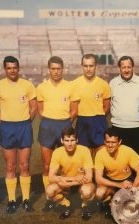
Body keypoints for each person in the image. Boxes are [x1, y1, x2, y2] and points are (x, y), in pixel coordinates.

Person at [0, 56, 37, 213]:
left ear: (18, 68)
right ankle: (11, 200)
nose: (12, 70)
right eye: (9, 68)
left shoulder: (27, 85)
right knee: (10, 166)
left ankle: (26, 199)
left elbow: (34, 107)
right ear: (5, 69)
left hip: (24, 127)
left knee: (24, 165)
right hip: (7, 128)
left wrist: (25, 121)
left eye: (14, 67)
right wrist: (2, 122)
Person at [36, 56, 78, 211]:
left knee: (66, 164)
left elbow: (74, 110)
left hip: (64, 125)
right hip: (47, 126)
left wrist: (66, 123)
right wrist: (50, 121)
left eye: (58, 69)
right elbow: (40, 111)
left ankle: (65, 194)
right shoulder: (41, 87)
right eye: (53, 69)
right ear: (49, 70)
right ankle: (50, 197)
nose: (56, 72)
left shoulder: (70, 86)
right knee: (47, 165)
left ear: (63, 69)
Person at [46, 127, 95, 220]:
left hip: (81, 183)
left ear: (77, 140)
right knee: (49, 191)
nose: (69, 144)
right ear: (62, 140)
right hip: (68, 183)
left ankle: (85, 206)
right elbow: (51, 177)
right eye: (67, 140)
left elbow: (89, 177)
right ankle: (66, 204)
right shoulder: (57, 152)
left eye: (72, 140)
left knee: (87, 191)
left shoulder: (84, 150)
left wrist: (68, 181)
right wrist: (74, 179)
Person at [94, 127, 139, 217]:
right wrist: (119, 185)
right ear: (104, 142)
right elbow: (98, 179)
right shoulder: (100, 154)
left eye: (113, 142)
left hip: (128, 181)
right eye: (108, 142)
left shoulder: (128, 151)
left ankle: (115, 203)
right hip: (112, 181)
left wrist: (133, 189)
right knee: (99, 193)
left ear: (119, 142)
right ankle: (111, 201)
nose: (110, 145)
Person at [109, 56, 139, 161]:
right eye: (123, 67)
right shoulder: (113, 83)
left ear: (133, 67)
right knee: (120, 161)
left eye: (129, 67)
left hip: (137, 128)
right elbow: (110, 103)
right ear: (119, 68)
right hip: (118, 128)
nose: (126, 70)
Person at [72, 54, 111, 154]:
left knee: (101, 157)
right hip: (82, 122)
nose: (88, 69)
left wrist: (98, 116)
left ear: (96, 66)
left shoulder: (103, 84)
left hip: (99, 122)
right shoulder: (74, 84)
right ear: (82, 66)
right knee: (85, 158)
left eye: (91, 66)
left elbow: (107, 106)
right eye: (85, 66)